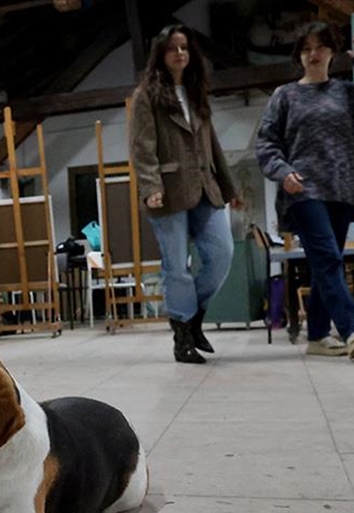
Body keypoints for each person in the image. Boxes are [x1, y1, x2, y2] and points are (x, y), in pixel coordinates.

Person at [255, 22, 354, 360]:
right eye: (306, 49)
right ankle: (352, 330)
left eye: (320, 47)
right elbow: (266, 144)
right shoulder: (285, 96)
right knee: (328, 259)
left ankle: (318, 336)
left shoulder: (349, 94)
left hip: (345, 190)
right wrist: (283, 171)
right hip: (303, 189)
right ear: (299, 56)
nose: (313, 54)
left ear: (333, 53)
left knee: (327, 263)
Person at [129, 24, 243, 364]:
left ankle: (193, 318)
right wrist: (150, 187)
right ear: (160, 55)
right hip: (168, 190)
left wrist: (230, 188)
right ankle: (182, 338)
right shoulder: (146, 95)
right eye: (172, 48)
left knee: (222, 253)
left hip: (206, 188)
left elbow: (213, 146)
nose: (179, 53)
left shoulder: (196, 93)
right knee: (175, 266)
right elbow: (142, 146)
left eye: (184, 48)